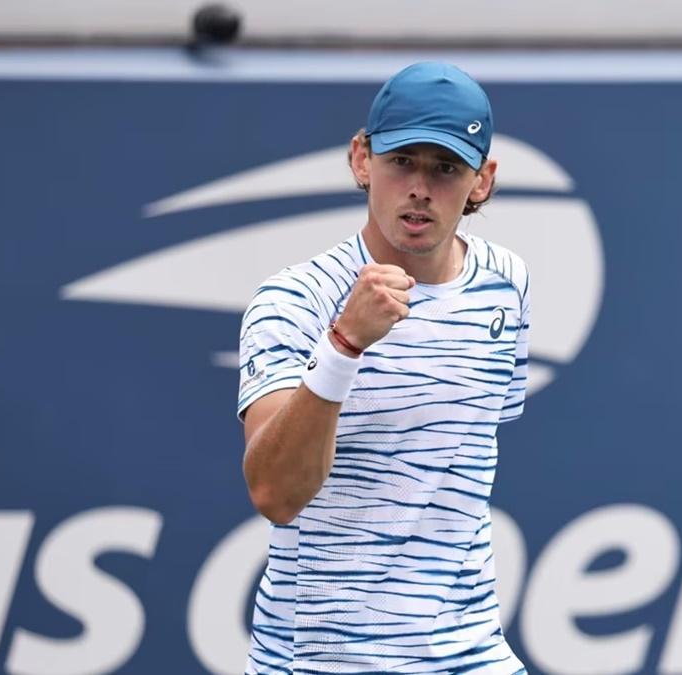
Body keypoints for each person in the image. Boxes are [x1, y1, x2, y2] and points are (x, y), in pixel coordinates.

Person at [236, 61, 531, 674]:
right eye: (402, 162)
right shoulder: (296, 301)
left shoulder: (507, 285)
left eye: (446, 168)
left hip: (471, 655)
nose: (420, 187)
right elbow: (275, 493)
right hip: (326, 661)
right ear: (362, 159)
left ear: (483, 180)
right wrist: (344, 346)